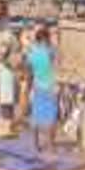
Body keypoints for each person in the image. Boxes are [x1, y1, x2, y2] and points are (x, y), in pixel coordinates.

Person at [26, 26, 59, 154]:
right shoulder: (50, 52)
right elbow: (57, 67)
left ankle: (35, 145)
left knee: (36, 116)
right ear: (46, 38)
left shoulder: (32, 54)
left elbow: (29, 74)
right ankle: (50, 146)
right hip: (50, 87)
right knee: (50, 117)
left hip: (37, 87)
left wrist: (28, 89)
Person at [0, 52, 16, 121]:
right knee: (5, 110)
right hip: (4, 95)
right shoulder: (0, 68)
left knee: (9, 109)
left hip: (9, 95)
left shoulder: (11, 70)